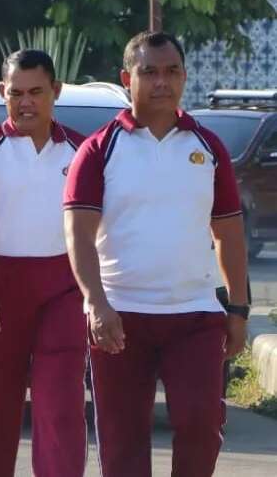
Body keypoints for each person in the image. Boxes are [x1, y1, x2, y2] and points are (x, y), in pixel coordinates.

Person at [64, 31, 249, 477]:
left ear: (184, 76)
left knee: (201, 424)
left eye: (172, 71)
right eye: (149, 72)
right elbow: (79, 235)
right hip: (120, 317)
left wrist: (239, 308)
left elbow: (228, 233)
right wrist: (96, 303)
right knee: (123, 440)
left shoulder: (208, 148)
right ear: (127, 78)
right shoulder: (99, 149)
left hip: (195, 315)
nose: (162, 82)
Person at [0, 49, 87, 477]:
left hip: (64, 287)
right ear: (2, 93)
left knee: (60, 404)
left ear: (55, 91)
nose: (26, 102)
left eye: (36, 92)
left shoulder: (81, 149)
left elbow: (99, 229)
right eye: (16, 93)